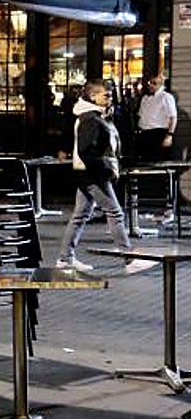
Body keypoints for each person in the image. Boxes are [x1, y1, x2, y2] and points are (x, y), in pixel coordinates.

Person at [56, 80, 155, 275]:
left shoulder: (95, 116)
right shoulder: (90, 118)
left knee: (80, 215)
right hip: (93, 174)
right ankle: (129, 258)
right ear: (93, 96)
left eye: (110, 95)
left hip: (87, 173)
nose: (110, 98)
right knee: (115, 212)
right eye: (106, 95)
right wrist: (105, 171)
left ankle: (65, 258)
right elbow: (87, 151)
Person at [136, 73, 177, 162]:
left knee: (158, 161)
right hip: (145, 133)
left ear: (161, 84)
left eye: (154, 83)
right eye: (150, 83)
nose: (151, 85)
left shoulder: (166, 97)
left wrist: (169, 135)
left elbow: (173, 117)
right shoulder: (145, 98)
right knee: (145, 161)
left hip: (158, 133)